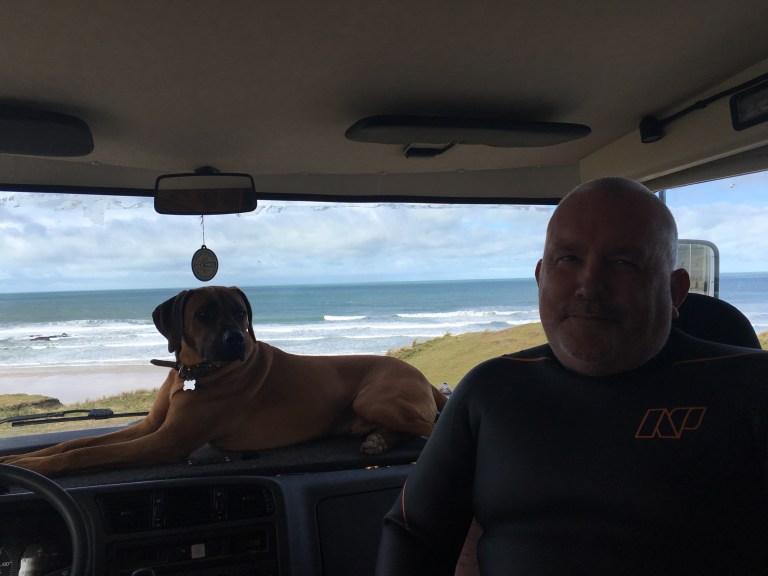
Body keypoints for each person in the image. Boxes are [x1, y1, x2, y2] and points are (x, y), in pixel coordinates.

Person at [375, 177, 768, 575]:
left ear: (675, 291)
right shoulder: (490, 390)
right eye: (568, 259)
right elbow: (413, 532)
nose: (589, 287)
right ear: (540, 277)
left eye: (623, 262)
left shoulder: (751, 389)